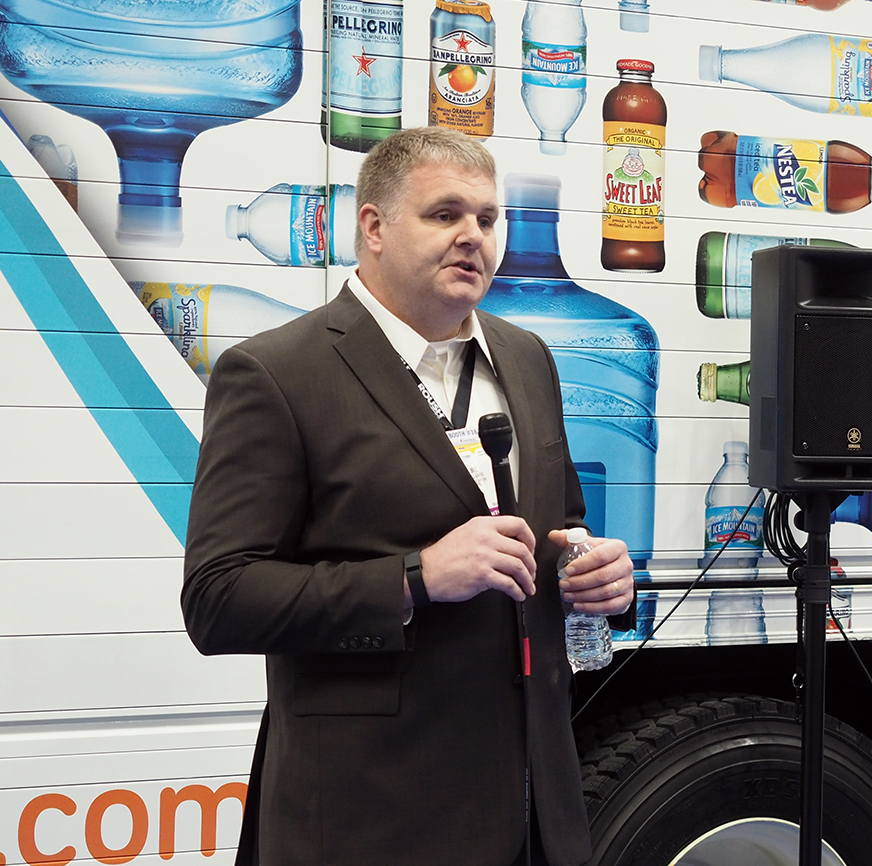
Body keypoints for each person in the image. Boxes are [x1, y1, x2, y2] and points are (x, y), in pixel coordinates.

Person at [181, 127, 634, 866]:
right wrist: (415, 578)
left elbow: (563, 522)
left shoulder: (527, 357)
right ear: (374, 226)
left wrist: (594, 572)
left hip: (533, 811)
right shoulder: (275, 373)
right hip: (371, 816)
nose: (472, 237)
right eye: (445, 214)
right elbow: (218, 598)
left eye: (488, 219)